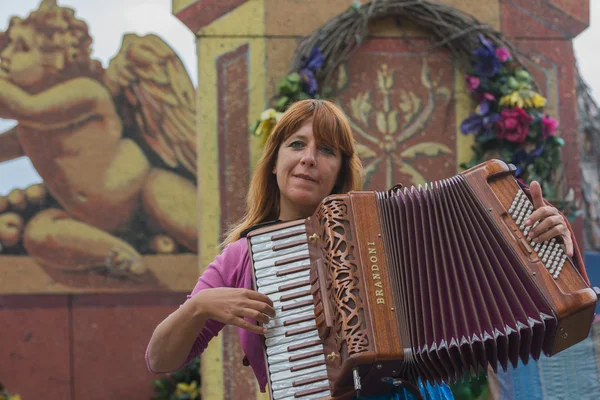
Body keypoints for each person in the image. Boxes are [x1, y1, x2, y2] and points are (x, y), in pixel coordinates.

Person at [145, 99, 586, 400]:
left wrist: (549, 247)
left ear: (339, 171)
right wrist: (199, 305)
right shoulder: (242, 257)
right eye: (296, 144)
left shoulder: (387, 230)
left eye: (327, 150)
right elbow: (160, 358)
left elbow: (493, 287)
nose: (308, 158)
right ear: (275, 159)